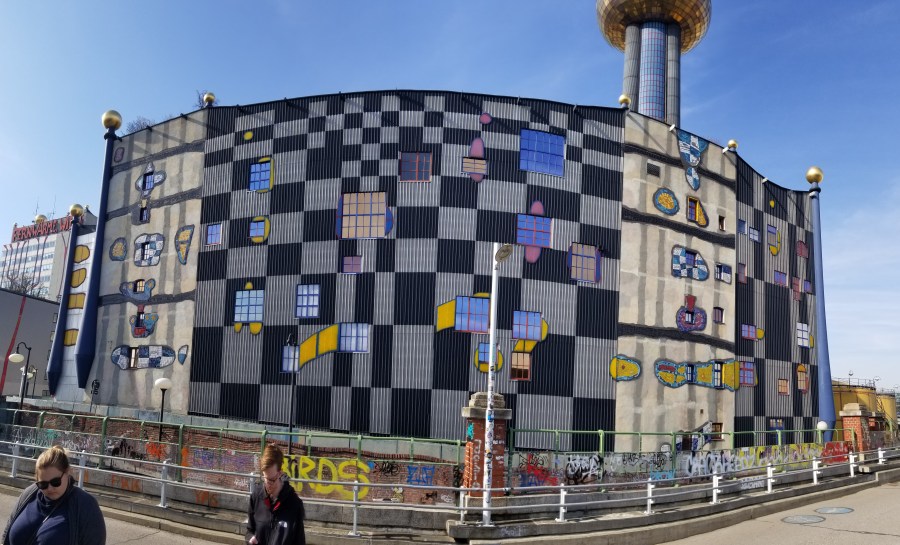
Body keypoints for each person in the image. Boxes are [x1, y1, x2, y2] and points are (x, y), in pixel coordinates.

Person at [2, 445, 106, 545]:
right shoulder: (29, 493)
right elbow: (6, 535)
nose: (50, 488)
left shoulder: (86, 505)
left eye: (55, 482)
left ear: (67, 472)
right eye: (43, 484)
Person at [247, 445, 305, 545]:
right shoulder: (256, 497)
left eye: (272, 480)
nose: (267, 484)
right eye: (265, 478)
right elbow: (249, 530)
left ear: (280, 473)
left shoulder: (295, 504)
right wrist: (250, 539)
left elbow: (299, 541)